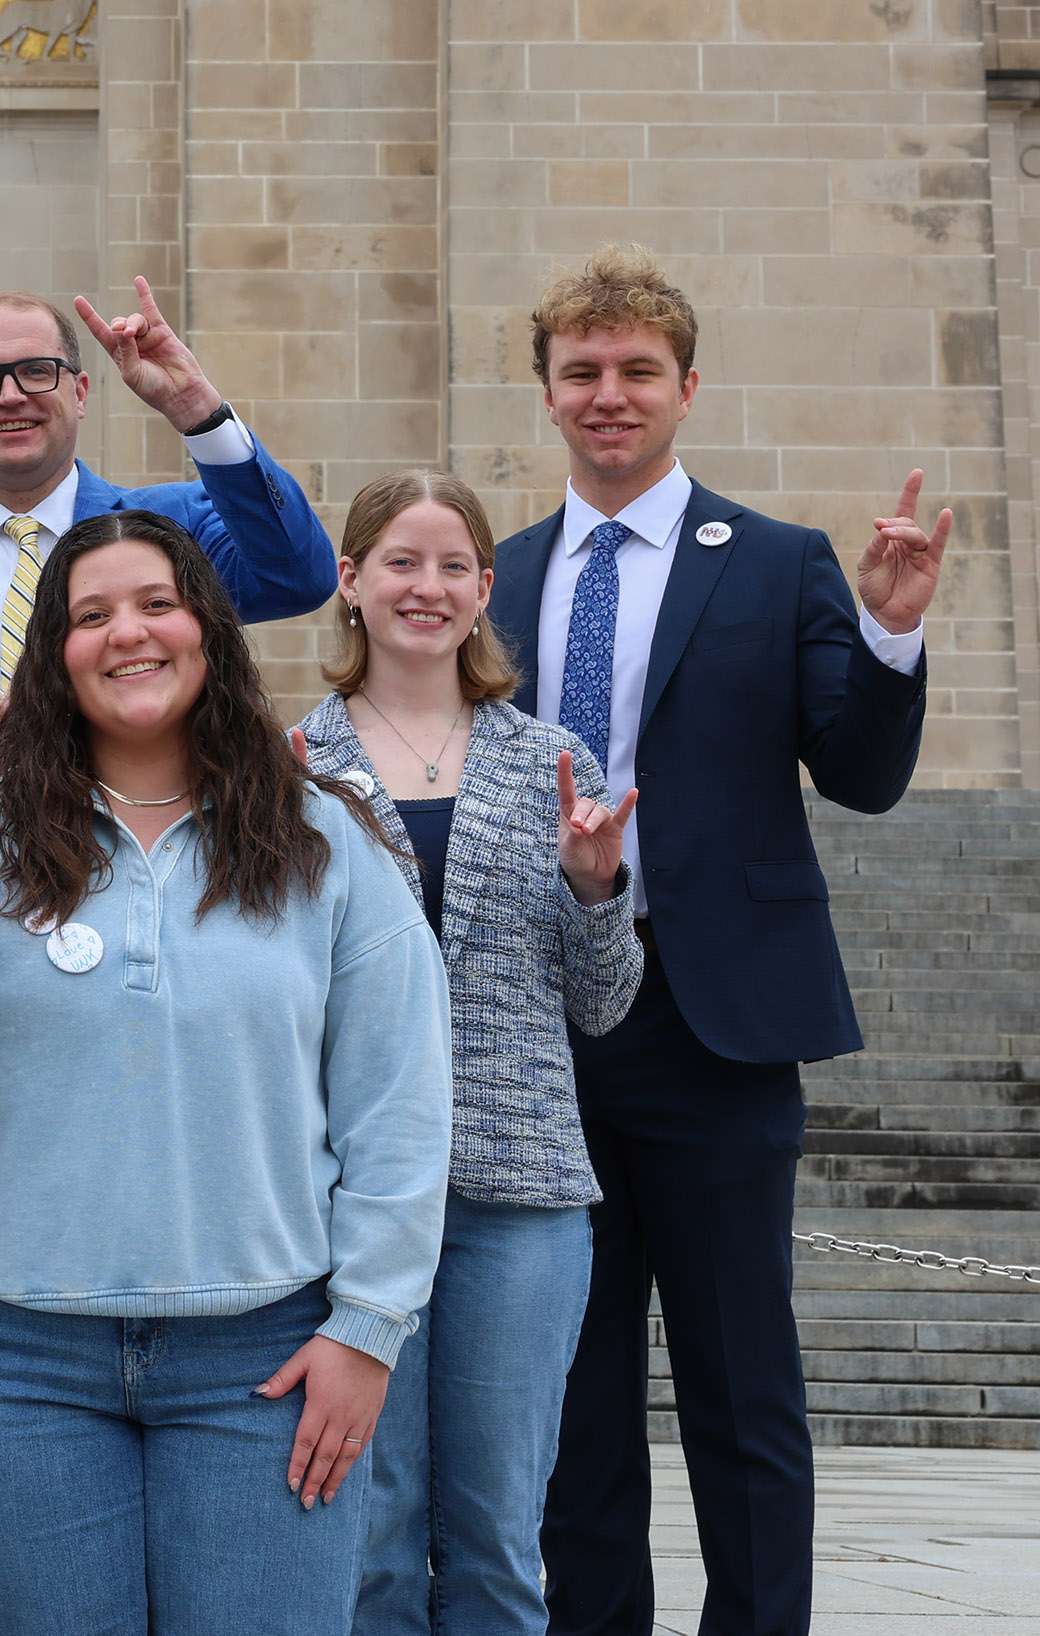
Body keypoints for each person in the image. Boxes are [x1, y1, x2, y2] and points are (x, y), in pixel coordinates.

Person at [0, 509, 453, 1634]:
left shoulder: (322, 840)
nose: (129, 634)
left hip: (264, 1355)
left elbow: (398, 1099)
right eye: (90, 614)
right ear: (55, 653)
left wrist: (369, 1326)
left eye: (156, 603)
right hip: (7, 1355)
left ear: (206, 629)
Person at [493, 246, 947, 1636]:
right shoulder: (498, 580)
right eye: (584, 373)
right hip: (543, 1030)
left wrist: (887, 632)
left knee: (742, 1388)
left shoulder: (779, 564)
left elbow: (861, 775)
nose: (610, 395)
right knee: (570, 1404)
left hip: (715, 1026)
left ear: (687, 389)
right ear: (549, 395)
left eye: (638, 372)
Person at [291, 469, 644, 1632]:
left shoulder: (553, 762)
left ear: (486, 590)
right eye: (400, 560)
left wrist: (598, 894)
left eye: (453, 566)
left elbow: (602, 1008)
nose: (426, 586)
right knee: (370, 1540)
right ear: (350, 582)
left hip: (519, 1198)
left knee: (496, 1540)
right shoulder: (291, 767)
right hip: (346, 1199)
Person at [0, 277, 337, 748]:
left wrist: (196, 409)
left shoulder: (175, 527)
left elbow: (296, 578)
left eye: (37, 371)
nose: (9, 396)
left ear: (80, 392)